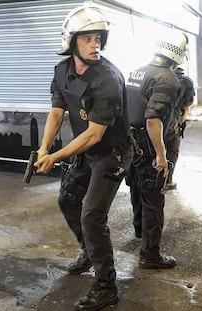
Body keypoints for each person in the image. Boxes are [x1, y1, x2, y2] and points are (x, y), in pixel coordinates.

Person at [34, 5, 133, 311]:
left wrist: (55, 157)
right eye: (87, 38)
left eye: (98, 38)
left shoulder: (108, 79)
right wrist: (42, 148)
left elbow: (94, 135)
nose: (95, 44)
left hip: (111, 153)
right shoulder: (62, 71)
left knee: (92, 216)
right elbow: (56, 111)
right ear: (72, 41)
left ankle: (106, 287)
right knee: (67, 200)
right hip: (87, 152)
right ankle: (88, 251)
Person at [125, 30, 188, 267]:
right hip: (148, 146)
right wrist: (161, 155)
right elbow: (153, 120)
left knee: (137, 190)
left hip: (131, 144)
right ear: (178, 54)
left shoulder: (137, 71)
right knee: (153, 199)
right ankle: (150, 255)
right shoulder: (167, 79)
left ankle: (140, 230)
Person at [164, 66, 195, 190]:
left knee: (156, 150)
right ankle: (167, 181)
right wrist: (180, 122)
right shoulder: (186, 81)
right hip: (172, 121)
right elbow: (187, 108)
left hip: (154, 120)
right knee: (172, 151)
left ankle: (154, 180)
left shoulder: (159, 75)